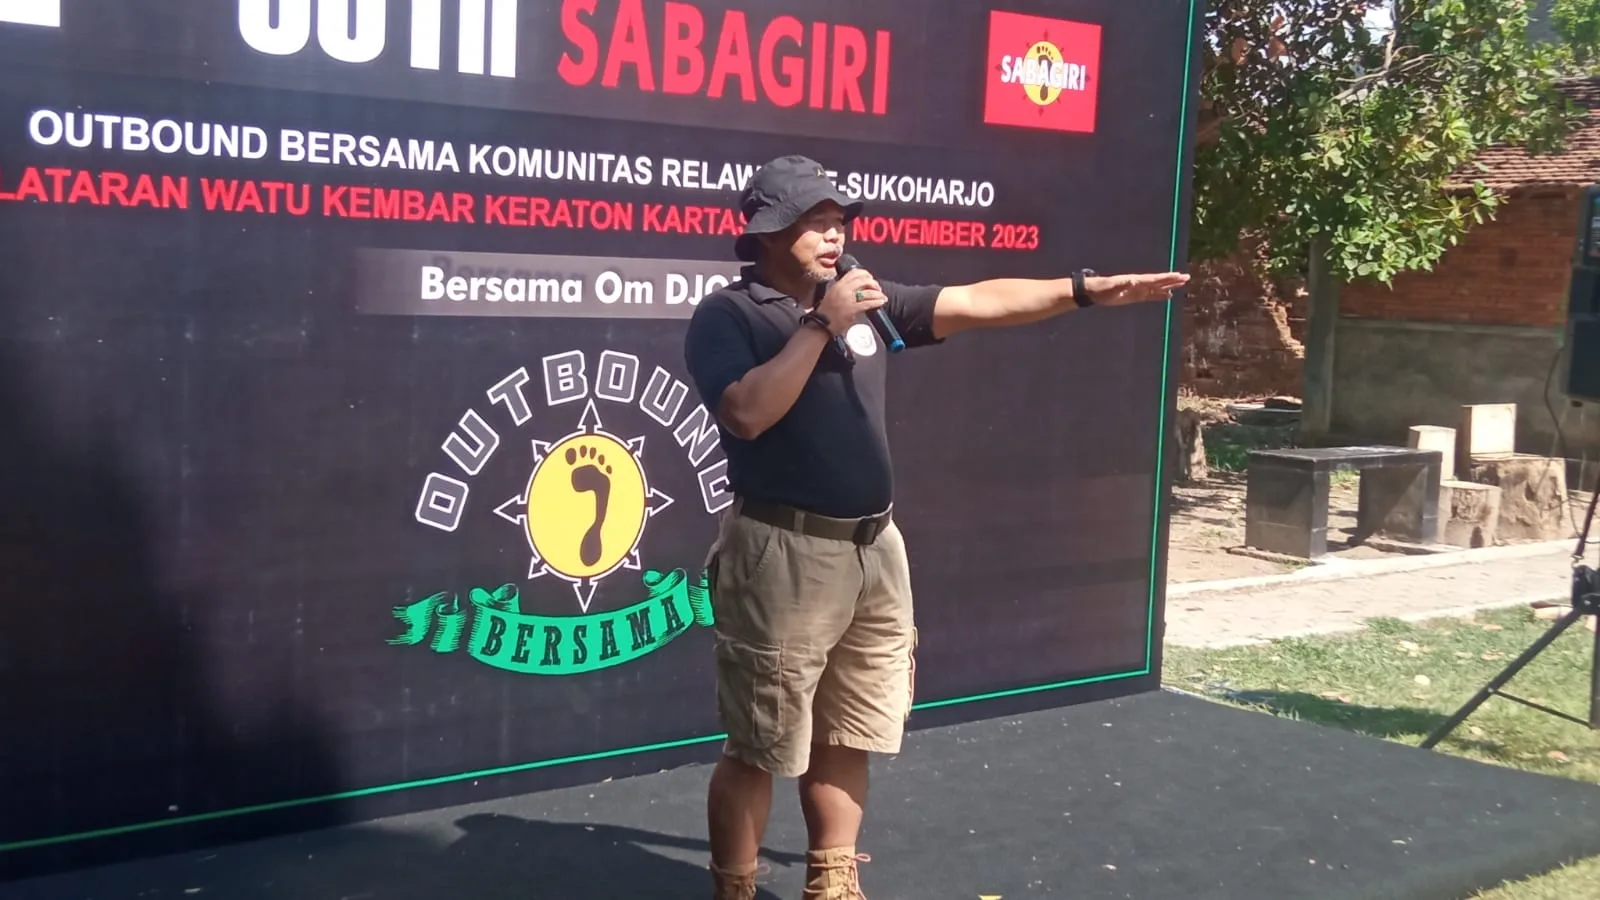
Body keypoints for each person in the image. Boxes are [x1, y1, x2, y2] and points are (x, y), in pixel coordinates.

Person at [682, 155, 1188, 900]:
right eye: (815, 222)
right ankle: (735, 887)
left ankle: (832, 882)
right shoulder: (730, 315)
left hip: (874, 550)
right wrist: (822, 325)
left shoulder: (865, 300)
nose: (834, 235)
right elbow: (748, 413)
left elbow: (979, 301)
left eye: (838, 221)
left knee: (849, 729)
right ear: (767, 230)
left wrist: (1083, 290)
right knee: (762, 742)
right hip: (784, 552)